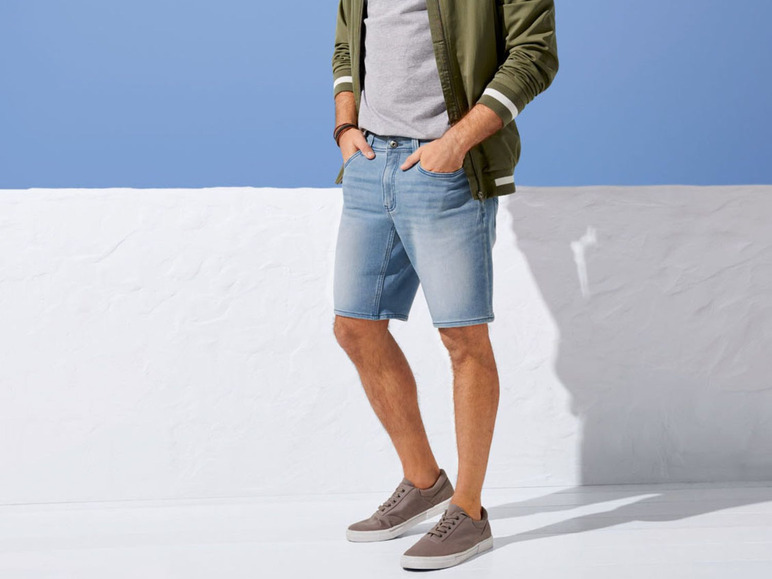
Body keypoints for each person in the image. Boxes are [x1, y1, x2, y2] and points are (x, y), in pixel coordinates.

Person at [330, 0, 559, 570]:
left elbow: (535, 54)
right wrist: (345, 127)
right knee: (355, 327)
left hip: (449, 170)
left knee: (463, 340)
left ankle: (470, 512)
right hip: (370, 162)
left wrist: (456, 143)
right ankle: (423, 481)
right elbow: (346, 46)